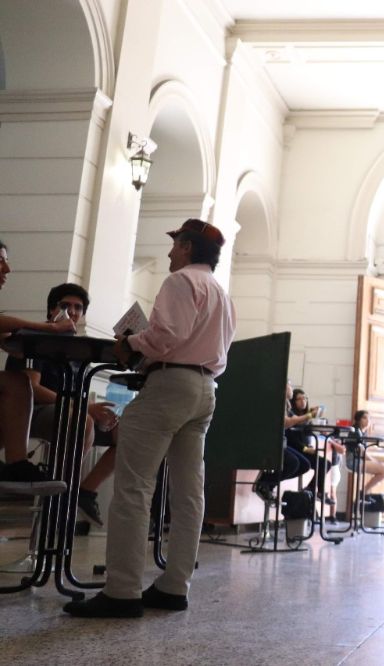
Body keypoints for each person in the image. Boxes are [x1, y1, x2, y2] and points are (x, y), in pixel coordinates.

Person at [64, 218, 236, 618]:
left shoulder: (180, 282)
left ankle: (122, 591)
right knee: (188, 492)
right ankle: (175, 586)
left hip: (169, 385)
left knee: (133, 487)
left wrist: (129, 343)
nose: (171, 251)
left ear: (189, 247)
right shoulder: (222, 294)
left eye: (176, 244)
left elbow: (166, 339)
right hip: (205, 389)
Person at [4, 283, 119, 521]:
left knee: (127, 432)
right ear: (51, 310)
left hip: (66, 409)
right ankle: (58, 498)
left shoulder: (77, 353)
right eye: (66, 306)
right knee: (82, 421)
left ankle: (84, 491)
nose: (73, 311)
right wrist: (84, 407)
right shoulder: (37, 342)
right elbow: (32, 388)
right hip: (30, 410)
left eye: (78, 307)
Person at [0, 240, 75, 495]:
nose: (7, 269)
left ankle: (74, 494)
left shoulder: (72, 354)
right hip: (42, 407)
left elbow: (9, 341)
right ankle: (17, 466)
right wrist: (50, 328)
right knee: (17, 383)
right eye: (1, 260)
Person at [253, 381, 314, 502]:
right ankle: (264, 482)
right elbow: (286, 422)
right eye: (289, 385)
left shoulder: (287, 404)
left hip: (281, 442)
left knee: (305, 465)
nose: (292, 388)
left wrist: (311, 415)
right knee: (293, 463)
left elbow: (295, 420)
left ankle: (269, 485)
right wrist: (309, 415)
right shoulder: (276, 401)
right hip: (270, 442)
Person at [349, 409, 384, 503]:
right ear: (358, 420)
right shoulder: (356, 432)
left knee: (383, 470)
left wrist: (375, 450)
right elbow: (361, 451)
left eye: (369, 418)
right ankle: (364, 492)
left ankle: (364, 492)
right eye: (364, 418)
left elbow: (364, 448)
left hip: (358, 459)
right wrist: (373, 461)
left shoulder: (362, 432)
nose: (367, 421)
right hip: (353, 461)